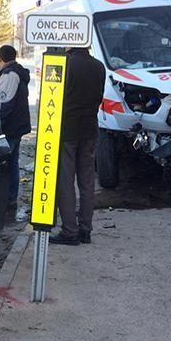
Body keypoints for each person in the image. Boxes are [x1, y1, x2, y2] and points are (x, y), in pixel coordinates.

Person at [49, 47, 105, 246]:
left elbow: (53, 99)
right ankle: (85, 230)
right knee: (87, 181)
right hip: (90, 128)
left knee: (65, 180)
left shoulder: (64, 64)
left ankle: (69, 231)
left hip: (67, 130)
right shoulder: (99, 66)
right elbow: (99, 98)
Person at [0, 45, 31, 210]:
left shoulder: (9, 75)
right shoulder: (18, 72)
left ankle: (7, 199)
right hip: (18, 126)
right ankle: (10, 197)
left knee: (4, 165)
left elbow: (5, 104)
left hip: (10, 128)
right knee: (12, 163)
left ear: (0, 59)